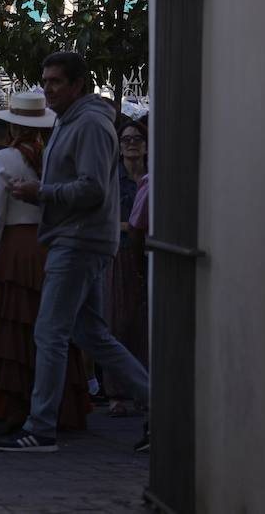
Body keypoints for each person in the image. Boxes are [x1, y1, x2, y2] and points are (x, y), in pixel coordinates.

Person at [0, 52, 149, 454]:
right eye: (45, 81)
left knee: (51, 331)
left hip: (79, 240)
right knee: (92, 334)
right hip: (74, 237)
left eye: (55, 82)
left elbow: (93, 188)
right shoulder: (72, 120)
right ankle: (165, 406)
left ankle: (41, 427)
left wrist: (40, 192)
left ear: (78, 84)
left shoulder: (92, 124)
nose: (47, 88)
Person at [0, 90, 91, 433]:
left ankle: (17, 405)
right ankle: (61, 403)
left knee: (15, 324)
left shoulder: (5, 159)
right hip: (50, 243)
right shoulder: (54, 154)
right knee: (52, 326)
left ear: (12, 128)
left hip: (17, 246)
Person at [104, 119, 149, 416]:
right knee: (117, 322)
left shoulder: (150, 178)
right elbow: (106, 219)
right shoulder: (113, 179)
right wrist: (130, 226)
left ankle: (142, 388)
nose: (131, 143)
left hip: (146, 253)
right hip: (120, 254)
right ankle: (116, 393)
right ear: (119, 148)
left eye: (137, 139)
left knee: (144, 324)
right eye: (126, 140)